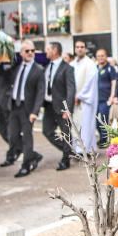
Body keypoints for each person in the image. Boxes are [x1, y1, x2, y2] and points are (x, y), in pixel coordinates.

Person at [8, 40, 45, 177]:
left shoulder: (38, 70)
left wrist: (35, 112)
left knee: (27, 137)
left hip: (27, 109)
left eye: (33, 51)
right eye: (27, 51)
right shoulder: (16, 68)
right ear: (21, 53)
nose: (30, 53)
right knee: (12, 136)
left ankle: (26, 166)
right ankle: (33, 156)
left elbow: (41, 92)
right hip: (14, 106)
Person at [42, 42, 76, 170]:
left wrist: (68, 109)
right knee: (47, 131)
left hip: (62, 107)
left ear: (55, 50)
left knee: (66, 133)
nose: (46, 51)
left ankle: (65, 159)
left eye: (48, 49)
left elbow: (71, 90)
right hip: (48, 105)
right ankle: (68, 150)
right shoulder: (46, 67)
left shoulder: (67, 68)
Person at [71, 40, 99, 153]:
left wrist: (80, 96)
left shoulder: (90, 64)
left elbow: (90, 82)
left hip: (85, 101)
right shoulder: (72, 64)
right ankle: (77, 149)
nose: (79, 49)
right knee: (76, 125)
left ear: (85, 49)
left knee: (86, 125)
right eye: (77, 47)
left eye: (82, 47)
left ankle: (86, 150)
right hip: (73, 100)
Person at [96, 49, 117, 130]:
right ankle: (101, 138)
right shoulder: (95, 68)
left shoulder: (110, 68)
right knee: (95, 121)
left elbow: (114, 83)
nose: (100, 57)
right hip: (95, 99)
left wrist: (112, 96)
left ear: (106, 56)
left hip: (105, 99)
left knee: (103, 120)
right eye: (98, 56)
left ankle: (104, 140)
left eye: (102, 55)